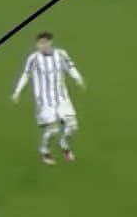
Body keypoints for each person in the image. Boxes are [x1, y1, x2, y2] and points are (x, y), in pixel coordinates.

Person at [11, 31, 86, 164]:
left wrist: (78, 78)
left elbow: (70, 67)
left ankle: (64, 146)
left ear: (50, 42)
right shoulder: (33, 58)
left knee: (73, 126)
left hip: (62, 98)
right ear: (37, 45)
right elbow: (25, 75)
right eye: (40, 43)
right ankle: (44, 151)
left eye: (45, 42)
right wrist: (17, 91)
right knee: (53, 130)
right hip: (44, 102)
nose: (43, 45)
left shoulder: (61, 54)